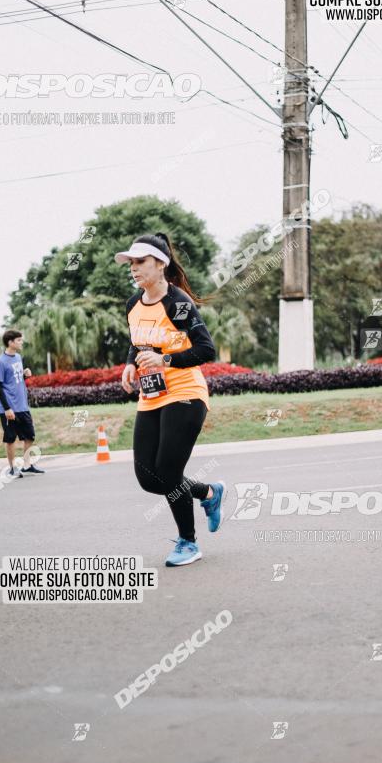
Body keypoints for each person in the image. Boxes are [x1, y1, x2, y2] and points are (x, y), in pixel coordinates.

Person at [115, 232, 225, 567]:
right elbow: (138, 342)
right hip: (152, 395)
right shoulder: (133, 304)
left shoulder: (177, 304)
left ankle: (188, 543)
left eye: (140, 262)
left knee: (167, 470)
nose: (133, 269)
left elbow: (206, 350)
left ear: (160, 264)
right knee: (149, 477)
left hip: (186, 393)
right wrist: (129, 365)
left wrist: (164, 361)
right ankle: (208, 492)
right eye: (131, 263)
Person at [0, 330, 45, 477]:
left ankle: (27, 465)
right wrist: (7, 408)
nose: (21, 343)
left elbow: (14, 380)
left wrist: (25, 374)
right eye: (19, 340)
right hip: (9, 408)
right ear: (10, 342)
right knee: (10, 439)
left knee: (30, 436)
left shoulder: (18, 357)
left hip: (22, 406)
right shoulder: (1, 362)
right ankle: (12, 468)